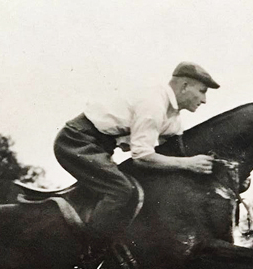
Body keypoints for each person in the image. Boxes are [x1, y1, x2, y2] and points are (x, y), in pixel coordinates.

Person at [53, 61, 219, 257]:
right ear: (184, 86)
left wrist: (218, 170)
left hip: (98, 146)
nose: (204, 100)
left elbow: (178, 152)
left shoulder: (173, 119)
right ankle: (87, 257)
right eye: (202, 91)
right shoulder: (154, 103)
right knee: (122, 190)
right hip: (76, 141)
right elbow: (142, 157)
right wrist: (189, 164)